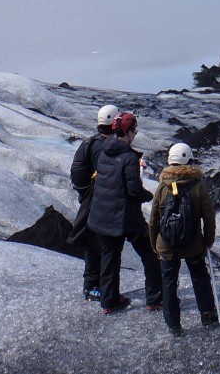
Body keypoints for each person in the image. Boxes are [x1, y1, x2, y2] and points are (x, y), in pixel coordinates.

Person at [86, 111, 161, 314]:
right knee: (150, 252)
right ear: (127, 132)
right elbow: (133, 190)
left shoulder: (103, 151)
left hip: (102, 215)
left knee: (110, 257)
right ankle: (154, 298)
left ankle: (109, 301)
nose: (134, 135)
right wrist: (149, 196)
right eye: (134, 131)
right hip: (126, 216)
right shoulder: (127, 157)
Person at [149, 142, 220, 335]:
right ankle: (207, 314)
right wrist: (208, 240)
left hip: (166, 243)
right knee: (199, 276)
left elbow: (154, 218)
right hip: (193, 243)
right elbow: (208, 216)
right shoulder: (197, 186)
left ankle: (173, 324)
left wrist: (154, 243)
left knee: (169, 282)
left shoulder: (163, 187)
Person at [69, 103, 120, 300]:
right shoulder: (104, 147)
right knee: (99, 245)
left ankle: (94, 285)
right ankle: (93, 286)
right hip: (99, 202)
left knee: (94, 243)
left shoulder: (90, 143)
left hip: (89, 199)